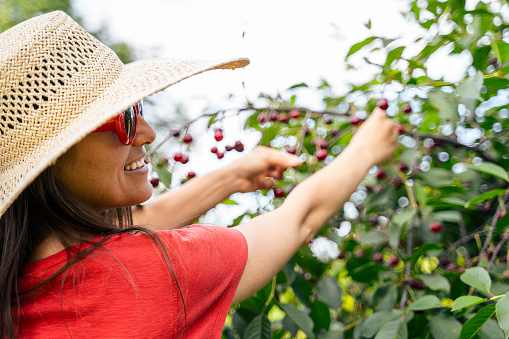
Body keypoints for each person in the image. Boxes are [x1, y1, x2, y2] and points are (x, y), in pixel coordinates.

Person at [0, 11, 398, 338]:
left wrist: (233, 178)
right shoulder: (162, 271)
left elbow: (136, 226)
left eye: (138, 107)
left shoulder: (16, 285)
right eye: (122, 117)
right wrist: (365, 150)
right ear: (53, 156)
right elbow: (298, 219)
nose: (147, 133)